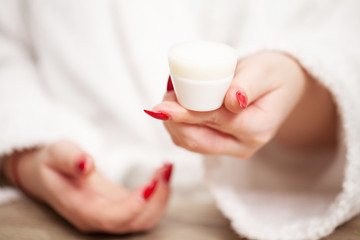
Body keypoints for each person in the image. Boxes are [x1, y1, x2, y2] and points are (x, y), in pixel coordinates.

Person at [0, 1, 359, 239]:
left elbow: (343, 32)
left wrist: (299, 78)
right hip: (54, 193)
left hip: (282, 195)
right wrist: (26, 157)